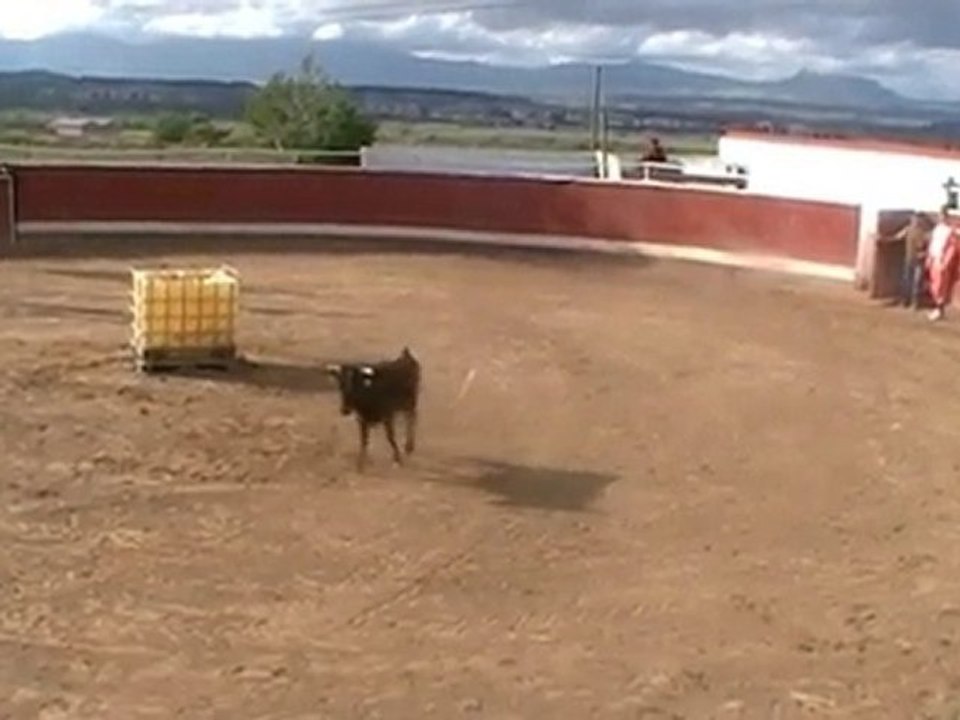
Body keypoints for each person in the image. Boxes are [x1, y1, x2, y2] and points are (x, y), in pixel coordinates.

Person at [925, 205, 958, 322]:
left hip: (941, 259)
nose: (941, 217)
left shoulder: (949, 231)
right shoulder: (937, 229)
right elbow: (933, 244)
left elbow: (952, 248)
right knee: (934, 285)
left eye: (943, 215)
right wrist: (929, 257)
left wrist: (946, 261)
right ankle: (938, 308)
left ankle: (939, 309)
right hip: (934, 257)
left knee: (940, 286)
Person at [893, 211, 932, 309]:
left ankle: (915, 303)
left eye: (917, 219)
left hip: (919, 260)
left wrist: (924, 253)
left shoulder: (925, 233)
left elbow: (930, 247)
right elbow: (897, 237)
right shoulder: (908, 229)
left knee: (916, 282)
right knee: (908, 281)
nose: (915, 221)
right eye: (914, 219)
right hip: (909, 259)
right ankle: (906, 301)